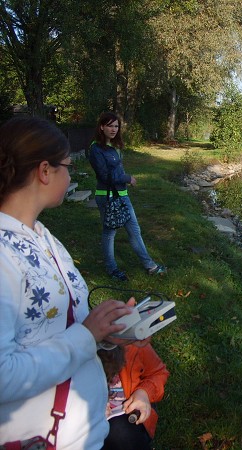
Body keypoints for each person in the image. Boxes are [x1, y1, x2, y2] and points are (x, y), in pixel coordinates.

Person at [0, 116, 137, 449]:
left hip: (83, 434)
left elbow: (62, 328)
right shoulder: (2, 256)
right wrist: (86, 335)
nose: (70, 174)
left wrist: (108, 333)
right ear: (44, 171)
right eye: (66, 167)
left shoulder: (45, 238)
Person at [88, 112, 166, 282]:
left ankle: (150, 266)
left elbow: (116, 170)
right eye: (110, 125)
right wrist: (127, 178)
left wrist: (123, 179)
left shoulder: (115, 146)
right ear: (101, 126)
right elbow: (104, 176)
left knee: (135, 231)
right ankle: (111, 269)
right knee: (109, 233)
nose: (113, 129)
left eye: (116, 126)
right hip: (107, 197)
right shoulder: (96, 149)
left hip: (122, 195)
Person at [98, 340, 169, 450]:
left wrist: (144, 392)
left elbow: (158, 372)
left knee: (120, 432)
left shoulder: (132, 342)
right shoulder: (68, 352)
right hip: (83, 424)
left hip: (129, 416)